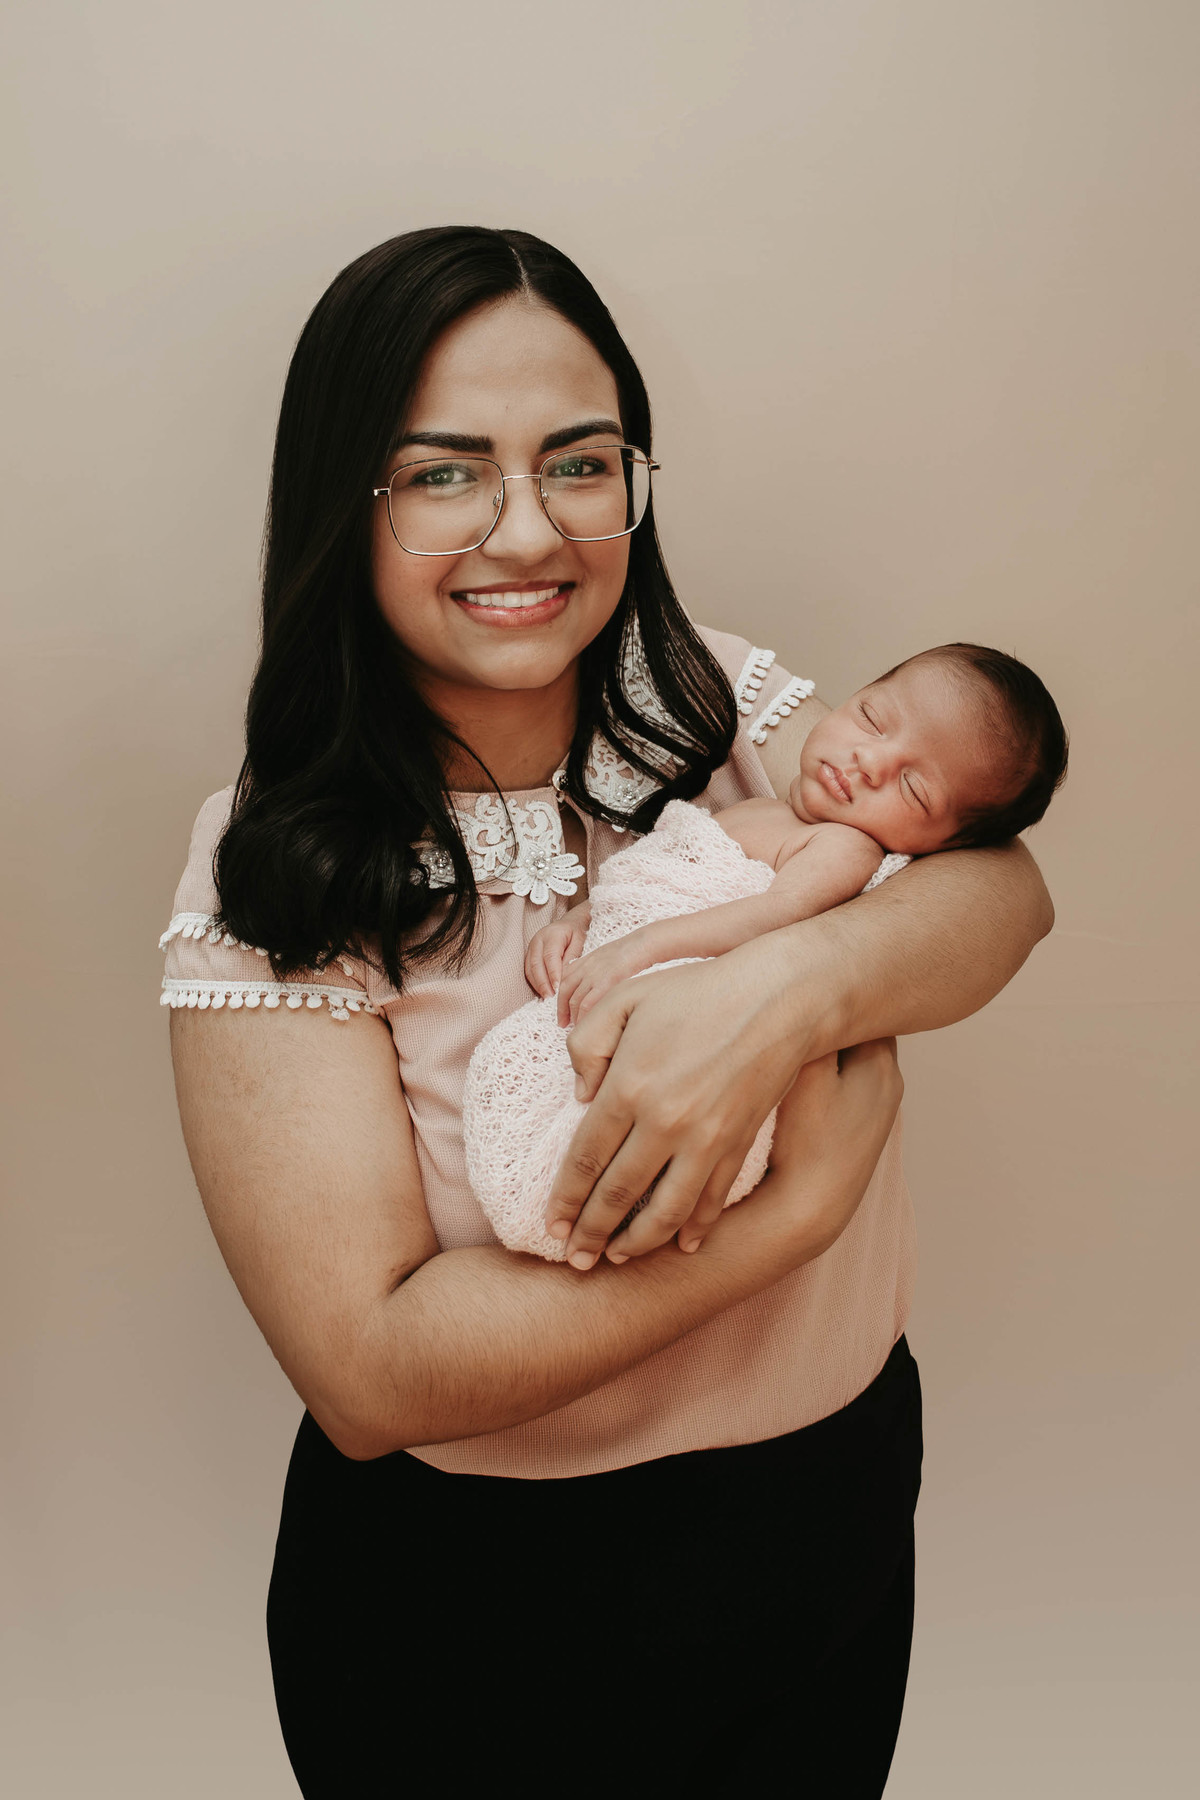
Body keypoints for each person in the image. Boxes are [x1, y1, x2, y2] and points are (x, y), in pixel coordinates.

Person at [163, 226, 1054, 1798]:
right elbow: (371, 1375)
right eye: (443, 473)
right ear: (344, 504)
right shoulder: (278, 867)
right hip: (480, 1606)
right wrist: (790, 1219)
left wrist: (776, 993)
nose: (528, 529)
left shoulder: (711, 701)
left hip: (829, 1522)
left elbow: (999, 891)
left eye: (580, 463)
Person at [465, 643, 1068, 1261]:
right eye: (872, 718)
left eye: (914, 788)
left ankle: (568, 1210)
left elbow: (767, 917)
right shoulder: (761, 810)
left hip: (680, 1010)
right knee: (511, 1069)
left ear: (942, 844)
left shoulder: (843, 848)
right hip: (615, 976)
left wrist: (637, 947)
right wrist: (583, 920)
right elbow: (651, 874)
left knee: (612, 1122)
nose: (869, 762)